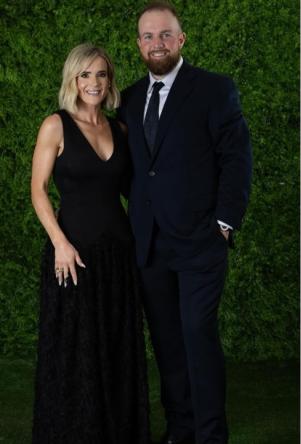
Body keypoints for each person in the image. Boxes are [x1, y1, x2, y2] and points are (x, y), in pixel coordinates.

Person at [117, 2, 252, 443]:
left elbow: (236, 160)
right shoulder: (130, 98)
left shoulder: (214, 90)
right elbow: (133, 169)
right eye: (148, 36)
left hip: (200, 242)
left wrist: (225, 222)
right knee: (168, 342)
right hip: (149, 244)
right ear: (139, 44)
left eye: (165, 35)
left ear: (181, 40)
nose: (157, 44)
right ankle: (180, 428)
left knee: (197, 335)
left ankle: (211, 434)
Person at [30, 43, 149, 443]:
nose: (93, 82)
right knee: (74, 351)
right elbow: (38, 191)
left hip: (118, 254)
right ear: (73, 79)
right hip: (73, 255)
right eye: (85, 75)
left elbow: (138, 190)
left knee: (116, 347)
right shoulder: (55, 125)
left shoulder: (120, 129)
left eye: (100, 74)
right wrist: (60, 243)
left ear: (109, 80)